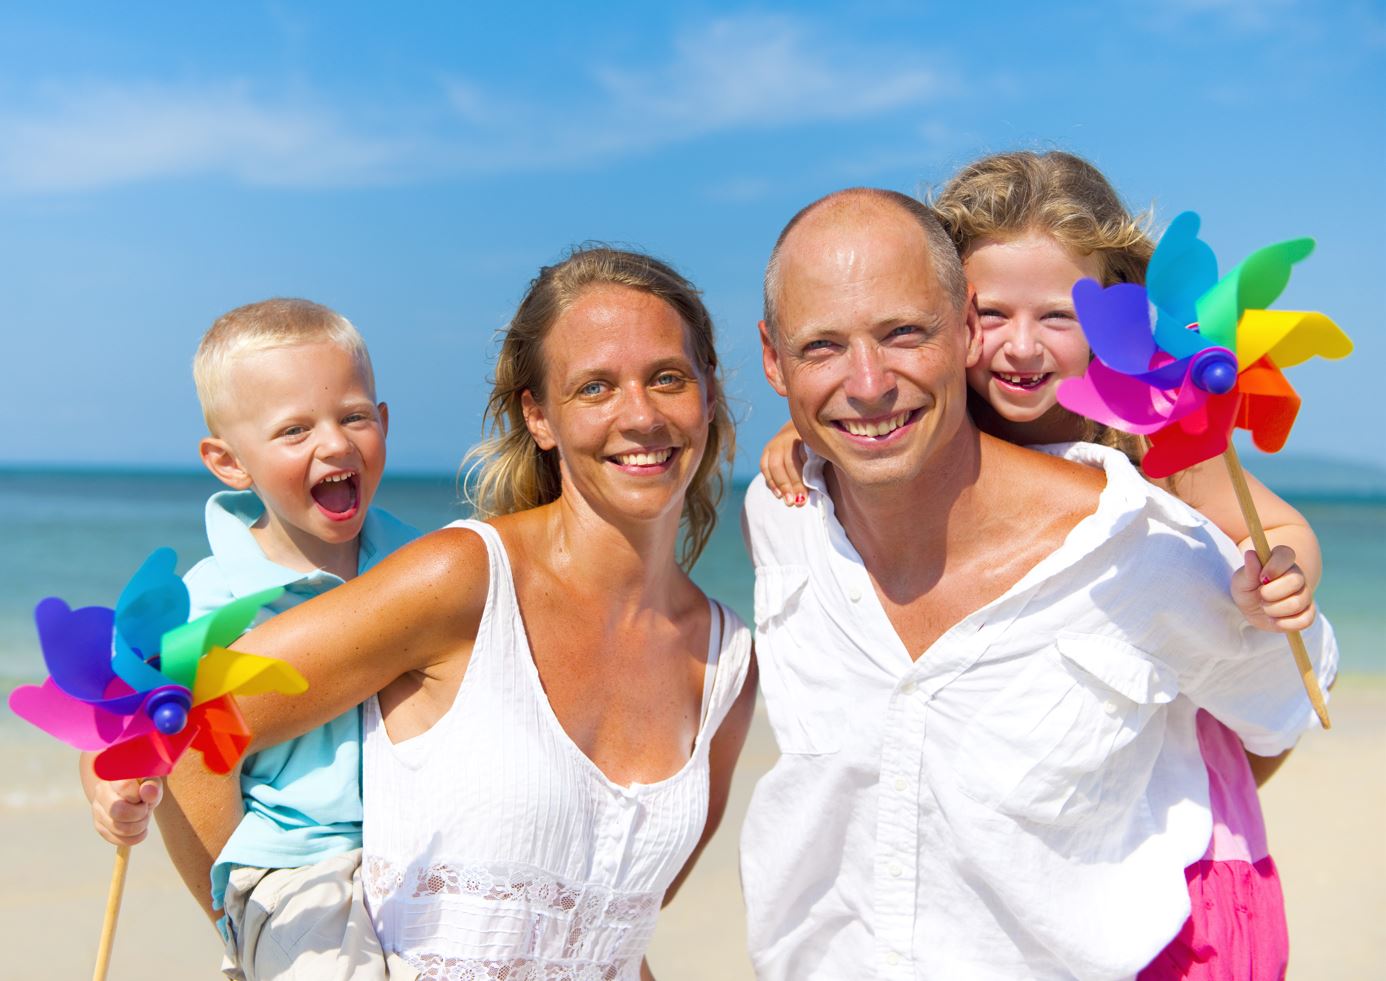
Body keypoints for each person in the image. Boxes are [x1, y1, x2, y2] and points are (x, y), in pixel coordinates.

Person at [741, 187, 1337, 979]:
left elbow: (1280, 616)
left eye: (1060, 316)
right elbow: (869, 389)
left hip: (1183, 822)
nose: (1019, 349)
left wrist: (1280, 582)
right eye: (995, 316)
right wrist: (806, 423)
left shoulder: (1153, 448)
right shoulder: (875, 447)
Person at [163, 246, 757, 980]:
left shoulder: (730, 663)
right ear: (538, 414)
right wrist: (250, 926)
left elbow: (612, 932)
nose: (639, 414)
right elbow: (190, 726)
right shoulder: (461, 577)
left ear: (709, 391)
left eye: (667, 377)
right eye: (595, 386)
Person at [80, 298, 417, 980]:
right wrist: (108, 791)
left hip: (420, 844)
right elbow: (117, 723)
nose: (335, 443)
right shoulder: (204, 601)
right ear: (230, 462)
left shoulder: (422, 564)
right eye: (294, 429)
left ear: (383, 423)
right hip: (291, 865)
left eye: (354, 416)